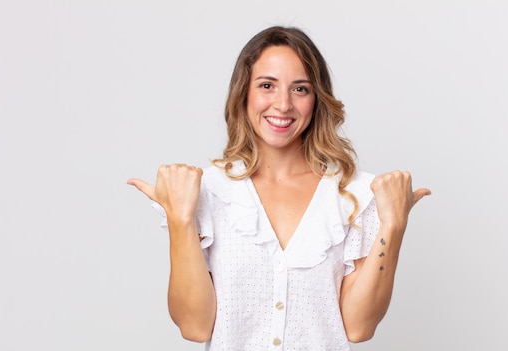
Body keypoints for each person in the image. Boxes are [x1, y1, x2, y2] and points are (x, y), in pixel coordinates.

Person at [127, 25, 431, 351]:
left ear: (317, 100)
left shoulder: (355, 195)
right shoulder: (207, 192)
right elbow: (194, 326)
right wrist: (180, 219)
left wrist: (393, 225)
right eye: (267, 85)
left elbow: (358, 327)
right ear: (244, 93)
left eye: (300, 89)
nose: (283, 104)